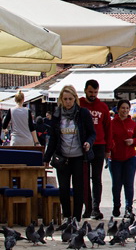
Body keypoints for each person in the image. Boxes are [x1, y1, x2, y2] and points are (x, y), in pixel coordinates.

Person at [44, 84, 96, 222]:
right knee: (64, 189)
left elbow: (92, 133)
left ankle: (76, 219)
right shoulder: (57, 115)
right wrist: (46, 158)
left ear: (75, 99)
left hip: (78, 156)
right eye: (65, 99)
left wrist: (88, 142)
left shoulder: (82, 113)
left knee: (79, 188)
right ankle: (67, 217)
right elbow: (53, 138)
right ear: (61, 99)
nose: (67, 102)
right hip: (62, 157)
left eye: (70, 99)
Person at [79, 79, 111, 220]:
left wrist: (108, 148)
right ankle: (87, 207)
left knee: (96, 178)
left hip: (99, 145)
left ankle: (96, 208)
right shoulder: (79, 104)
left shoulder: (102, 106)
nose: (93, 95)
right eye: (90, 92)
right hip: (83, 146)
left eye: (95, 92)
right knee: (84, 178)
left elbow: (108, 128)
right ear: (85, 90)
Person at [109, 99, 136, 219]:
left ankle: (129, 208)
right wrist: (111, 146)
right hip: (115, 158)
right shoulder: (112, 123)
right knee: (116, 184)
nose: (125, 110)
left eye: (127, 108)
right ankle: (116, 206)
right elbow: (108, 137)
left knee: (129, 184)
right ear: (118, 109)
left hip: (130, 157)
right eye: (123, 108)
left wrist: (133, 141)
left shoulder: (132, 124)